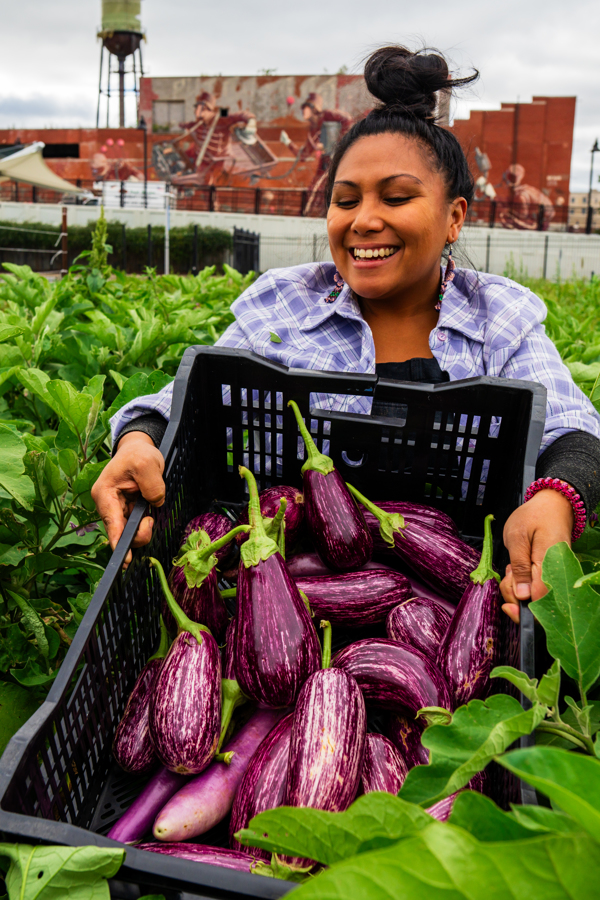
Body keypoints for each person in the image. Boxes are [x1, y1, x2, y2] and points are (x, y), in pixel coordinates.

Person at [92, 45, 600, 625]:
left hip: (459, 577)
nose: (363, 220)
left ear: (455, 216)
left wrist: (557, 499)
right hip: (288, 582)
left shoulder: (497, 317)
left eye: (397, 197)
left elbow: (573, 428)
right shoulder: (289, 305)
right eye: (345, 200)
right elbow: (183, 403)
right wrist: (138, 440)